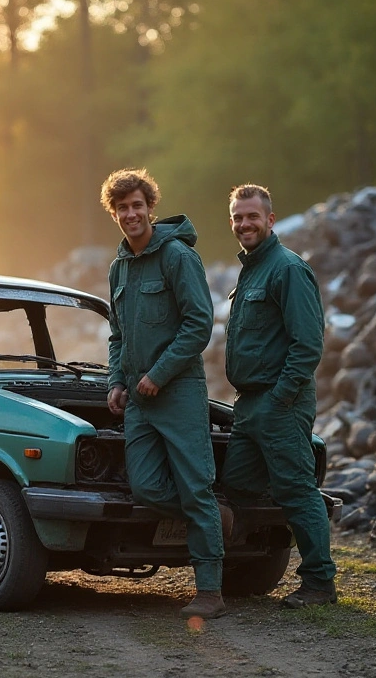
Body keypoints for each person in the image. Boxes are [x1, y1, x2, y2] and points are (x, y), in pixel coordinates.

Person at [102, 168, 228, 619]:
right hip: (137, 398)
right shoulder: (118, 267)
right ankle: (216, 518)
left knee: (196, 487)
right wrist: (115, 381)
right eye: (122, 208)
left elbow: (199, 325)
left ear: (150, 207)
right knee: (146, 486)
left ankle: (210, 590)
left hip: (177, 391)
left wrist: (159, 373)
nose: (131, 214)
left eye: (138, 205)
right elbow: (117, 334)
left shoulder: (177, 257)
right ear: (114, 213)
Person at [222, 184, 337, 608]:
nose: (244, 224)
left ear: (270, 220)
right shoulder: (251, 269)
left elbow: (308, 344)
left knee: (296, 489)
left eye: (252, 216)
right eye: (237, 217)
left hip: (279, 402)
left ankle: (320, 583)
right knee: (235, 485)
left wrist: (280, 398)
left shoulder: (287, 268)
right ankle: (242, 570)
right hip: (249, 403)